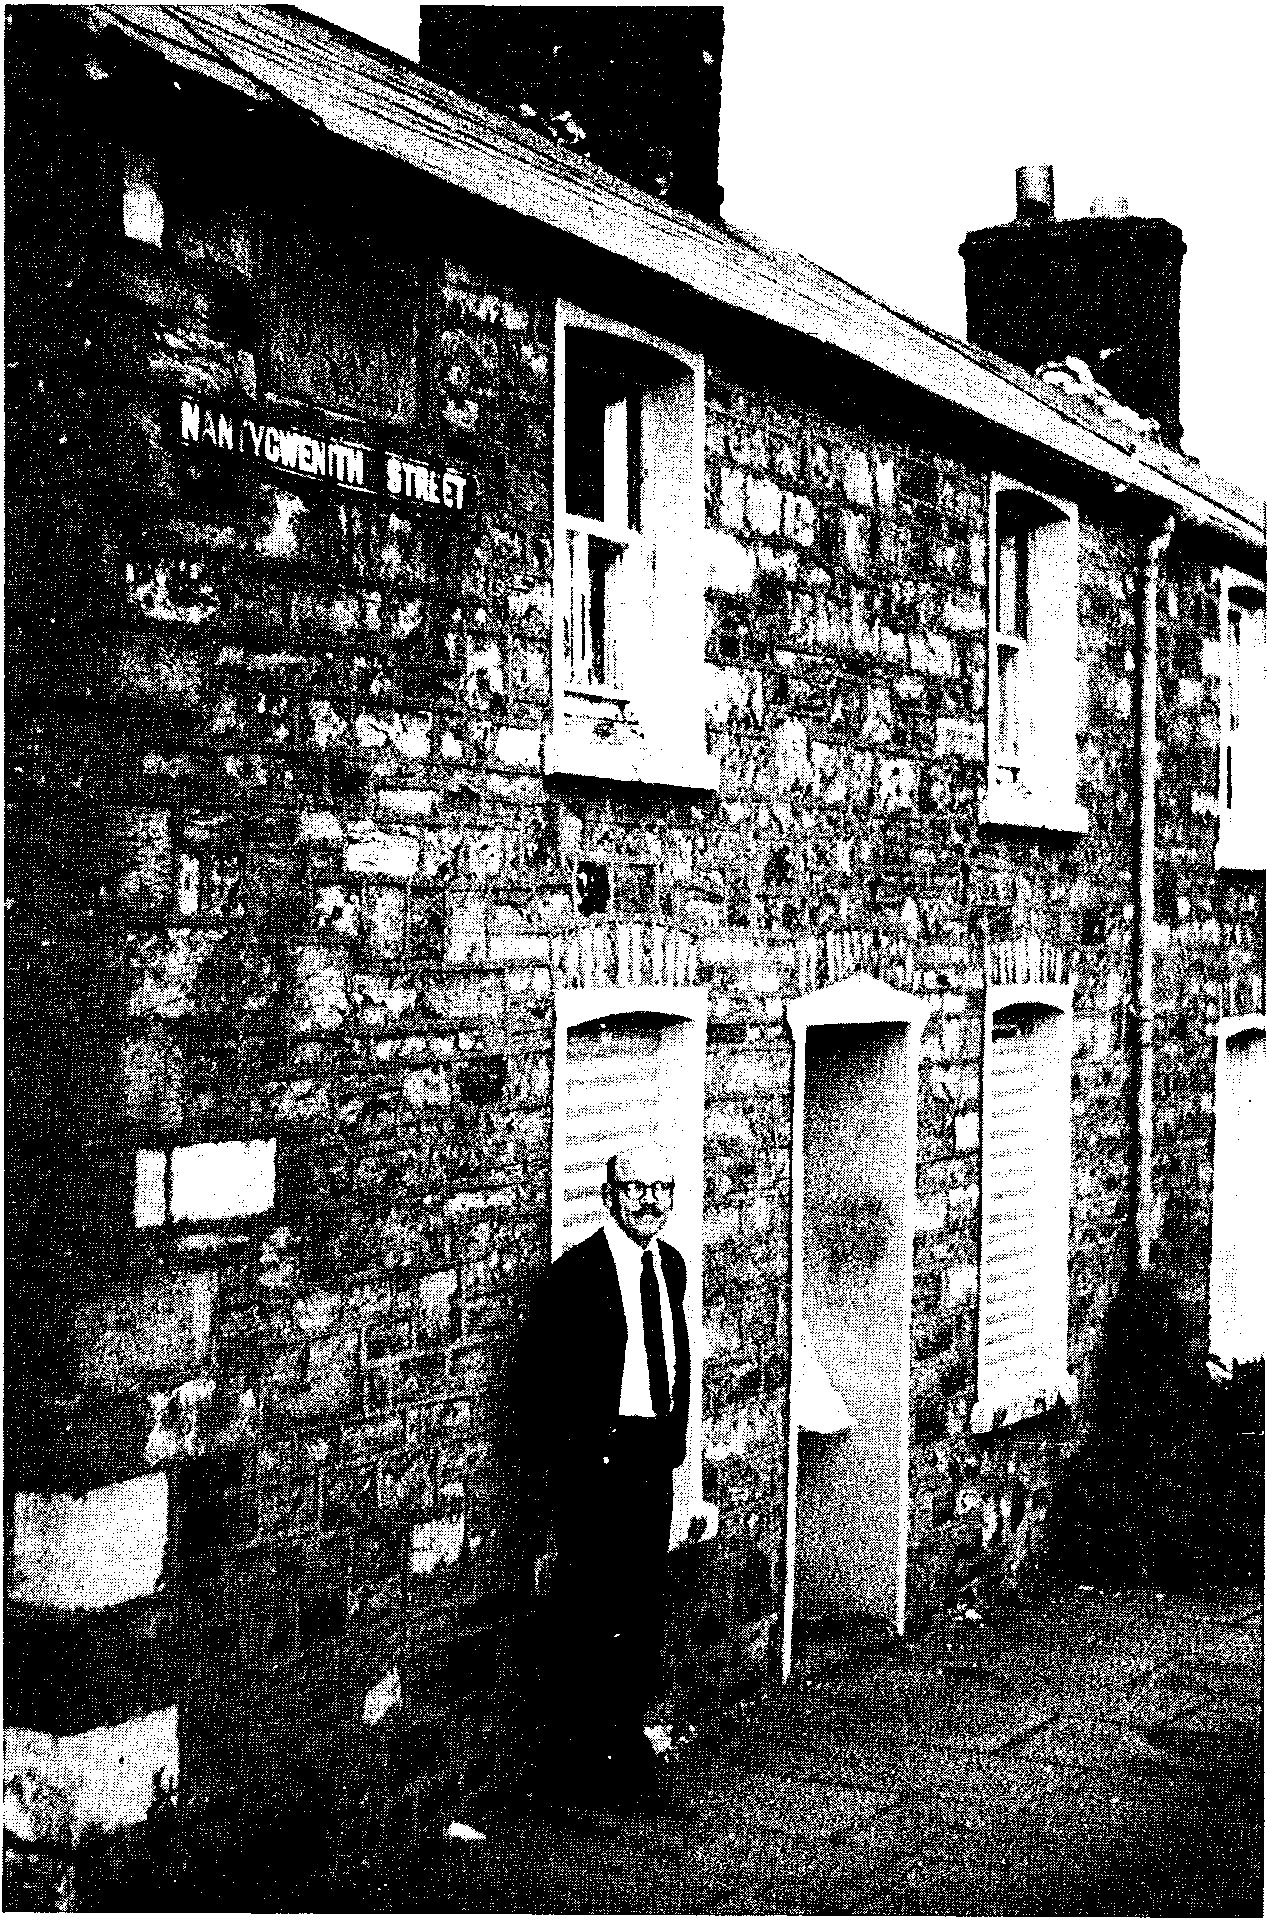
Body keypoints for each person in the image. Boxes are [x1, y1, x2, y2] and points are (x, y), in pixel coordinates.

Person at [529, 1138, 690, 1806]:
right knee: (589, 1614)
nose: (649, 1201)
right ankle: (577, 1771)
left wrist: (672, 1445)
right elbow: (538, 1389)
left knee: (639, 1609)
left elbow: (676, 1359)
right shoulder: (576, 1277)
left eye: (661, 1188)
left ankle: (623, 1754)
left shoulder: (670, 1266)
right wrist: (576, 1464)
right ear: (608, 1196)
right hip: (597, 1465)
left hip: (649, 1458)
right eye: (634, 1188)